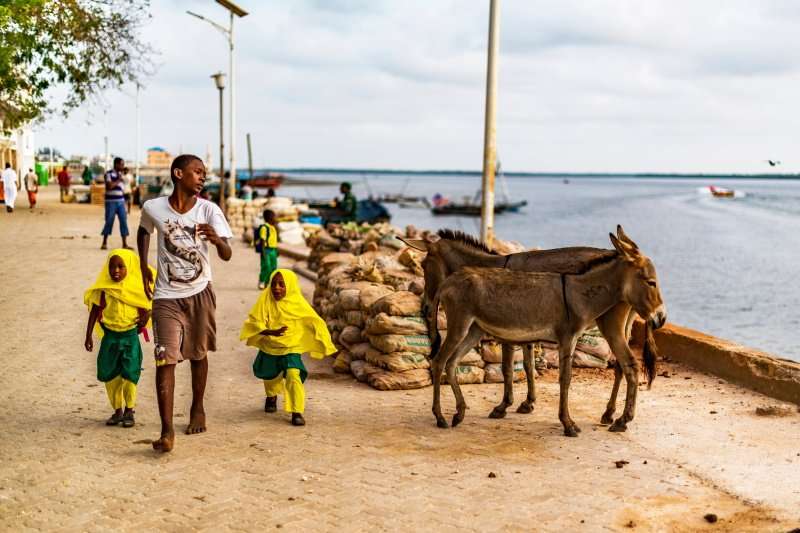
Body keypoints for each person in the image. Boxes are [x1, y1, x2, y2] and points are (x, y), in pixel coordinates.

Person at [137, 154, 233, 453]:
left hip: (200, 292)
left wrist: (217, 240)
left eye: (205, 173)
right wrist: (142, 265)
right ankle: (166, 431)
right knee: (165, 358)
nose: (203, 177)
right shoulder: (153, 207)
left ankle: (198, 407)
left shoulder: (209, 210)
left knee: (198, 354)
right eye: (197, 172)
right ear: (179, 174)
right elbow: (143, 231)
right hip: (166, 296)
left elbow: (227, 254)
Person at [239, 269, 336, 426]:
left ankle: (296, 411)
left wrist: (322, 340)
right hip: (269, 345)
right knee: (270, 375)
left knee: (293, 374)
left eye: (282, 285)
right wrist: (270, 331)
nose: (277, 288)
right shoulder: (265, 299)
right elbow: (253, 322)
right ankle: (271, 396)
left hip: (291, 347)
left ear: (289, 286)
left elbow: (313, 320)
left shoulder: (298, 302)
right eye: (274, 284)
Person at [84, 249, 155, 427]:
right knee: (111, 375)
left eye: (121, 266)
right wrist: (88, 335)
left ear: (129, 268)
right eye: (112, 266)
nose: (116, 271)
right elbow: (94, 311)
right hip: (110, 337)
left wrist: (148, 315)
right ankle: (117, 411)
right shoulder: (104, 289)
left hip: (130, 336)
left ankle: (130, 410)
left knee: (130, 374)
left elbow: (153, 302)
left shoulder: (138, 288)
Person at [101, 157, 131, 250]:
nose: (123, 166)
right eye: (121, 164)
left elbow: (126, 182)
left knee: (123, 221)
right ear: (116, 164)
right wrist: (119, 179)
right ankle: (104, 242)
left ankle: (124, 244)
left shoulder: (120, 174)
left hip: (121, 202)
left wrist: (122, 174)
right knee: (109, 221)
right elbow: (109, 186)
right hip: (111, 202)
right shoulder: (108, 174)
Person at [255, 209, 279, 290]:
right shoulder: (264, 228)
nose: (276, 219)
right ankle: (262, 280)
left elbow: (275, 240)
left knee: (273, 267)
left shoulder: (273, 228)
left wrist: (277, 250)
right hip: (266, 250)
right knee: (266, 266)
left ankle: (267, 282)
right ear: (269, 218)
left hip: (273, 250)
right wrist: (263, 252)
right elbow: (262, 241)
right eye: (274, 217)